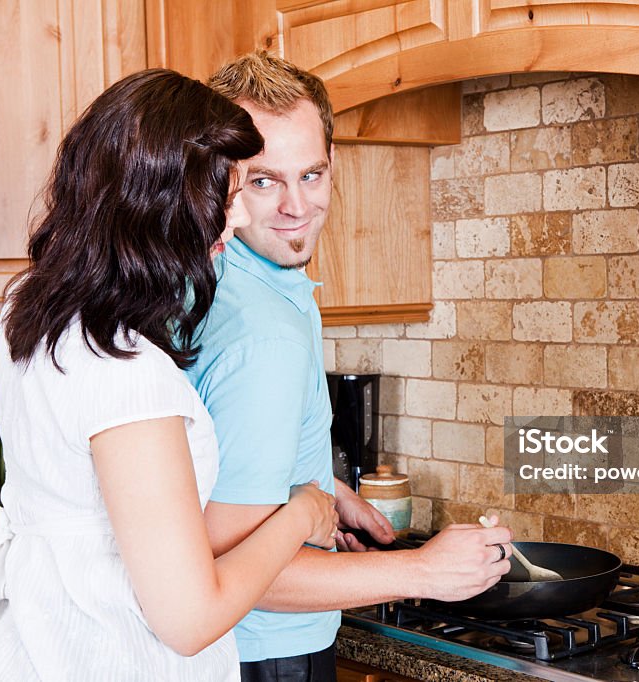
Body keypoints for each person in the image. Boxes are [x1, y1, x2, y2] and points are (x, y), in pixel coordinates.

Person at [0, 68, 339, 682]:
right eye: (223, 195)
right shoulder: (127, 372)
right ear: (158, 205)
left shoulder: (32, 307)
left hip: (28, 650)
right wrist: (303, 514)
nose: (235, 219)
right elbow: (189, 618)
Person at [186, 52, 514, 682]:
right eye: (262, 181)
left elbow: (215, 472)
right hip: (264, 653)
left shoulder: (241, 279)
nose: (295, 206)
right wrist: (425, 572)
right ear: (219, 181)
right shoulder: (266, 335)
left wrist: (326, 491)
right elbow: (230, 570)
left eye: (311, 174)